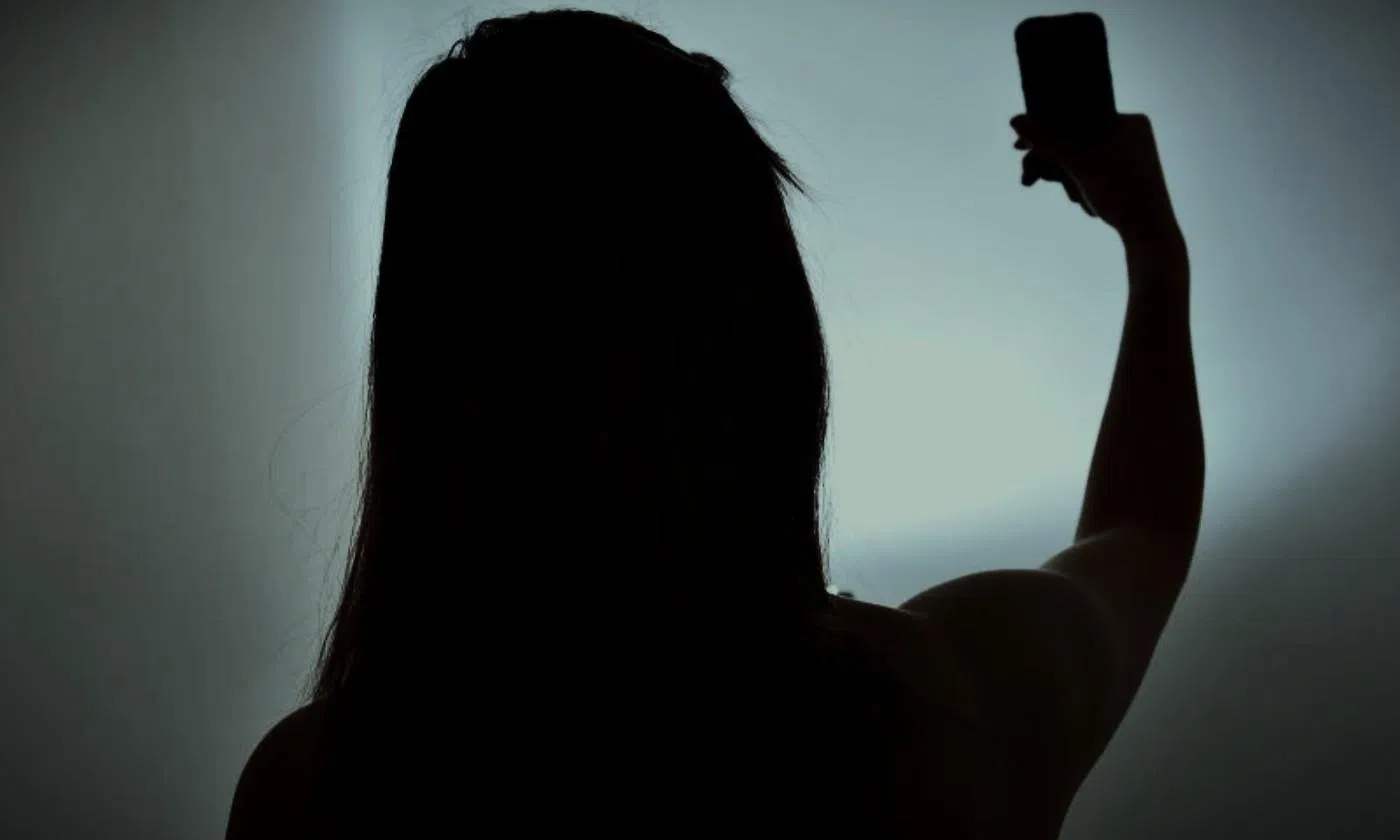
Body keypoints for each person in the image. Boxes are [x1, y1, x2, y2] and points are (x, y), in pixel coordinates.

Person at [225, 9, 1203, 839]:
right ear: (766, 331)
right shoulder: (957, 701)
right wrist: (1152, 249)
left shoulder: (310, 789)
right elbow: (1142, 532)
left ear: (428, 357)